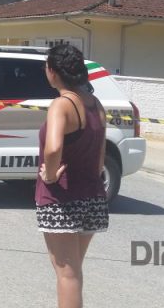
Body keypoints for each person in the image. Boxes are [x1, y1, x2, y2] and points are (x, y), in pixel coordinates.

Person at [36, 43, 109, 308]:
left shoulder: (62, 104)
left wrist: (51, 174)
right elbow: (100, 157)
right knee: (74, 270)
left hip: (63, 199)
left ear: (53, 71)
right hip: (92, 197)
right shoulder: (95, 104)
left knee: (66, 273)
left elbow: (53, 147)